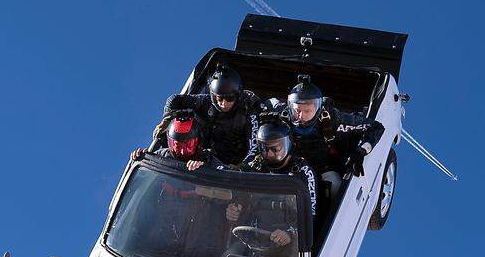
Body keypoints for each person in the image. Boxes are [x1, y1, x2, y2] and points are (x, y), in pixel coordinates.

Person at [251, 74, 384, 200]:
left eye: (307, 111)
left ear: (318, 108)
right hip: (288, 165)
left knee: (336, 187)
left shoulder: (332, 121)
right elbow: (264, 103)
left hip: (323, 167)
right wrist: (260, 114)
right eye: (297, 110)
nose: (301, 116)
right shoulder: (282, 114)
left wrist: (361, 151)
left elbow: (375, 127)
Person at [150, 64, 261, 164]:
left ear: (237, 94)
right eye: (219, 98)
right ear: (213, 95)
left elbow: (254, 147)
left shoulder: (248, 110)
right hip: (202, 160)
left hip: (232, 166)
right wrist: (166, 120)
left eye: (230, 98)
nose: (223, 103)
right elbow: (173, 100)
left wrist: (240, 168)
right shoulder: (204, 102)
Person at [241, 118, 317, 219]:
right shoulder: (255, 167)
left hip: (288, 226)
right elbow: (240, 196)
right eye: (265, 148)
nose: (269, 154)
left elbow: (310, 213)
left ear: (288, 144)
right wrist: (234, 211)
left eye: (275, 149)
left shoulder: (303, 171)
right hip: (256, 223)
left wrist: (290, 233)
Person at [133, 115, 219, 171]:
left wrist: (205, 169)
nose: (181, 152)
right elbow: (143, 177)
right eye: (177, 146)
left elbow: (226, 175)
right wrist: (138, 159)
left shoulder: (207, 159)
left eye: (188, 146)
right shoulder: (161, 156)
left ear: (198, 143)